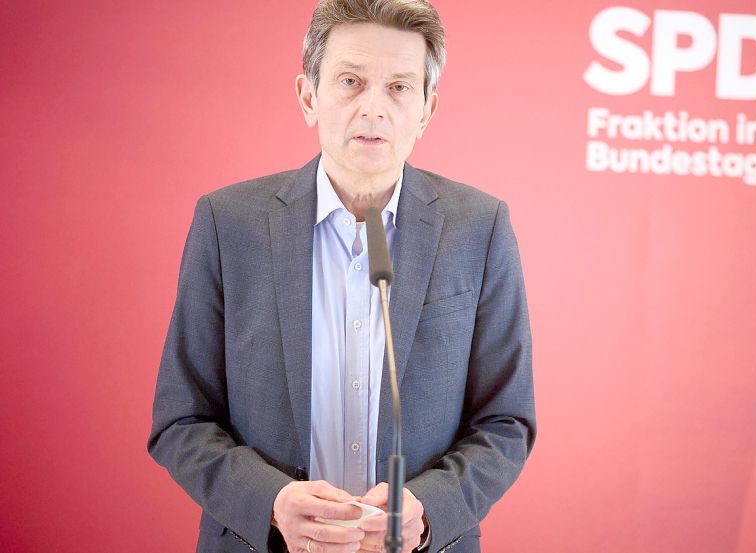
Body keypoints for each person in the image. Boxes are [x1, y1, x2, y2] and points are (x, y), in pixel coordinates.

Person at [147, 1, 536, 552]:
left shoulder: (480, 227)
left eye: (400, 87)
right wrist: (271, 502)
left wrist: (427, 511)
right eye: (351, 81)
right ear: (309, 96)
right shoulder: (227, 223)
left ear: (427, 110)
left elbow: (506, 421)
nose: (373, 108)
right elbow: (181, 420)